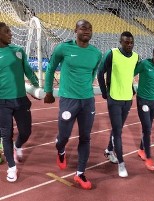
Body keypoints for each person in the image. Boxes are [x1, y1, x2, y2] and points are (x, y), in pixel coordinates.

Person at [44, 20, 102, 189]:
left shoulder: (96, 53)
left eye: (90, 28)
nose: (87, 31)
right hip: (68, 100)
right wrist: (48, 91)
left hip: (88, 101)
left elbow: (92, 73)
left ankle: (80, 173)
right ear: (75, 30)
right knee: (63, 137)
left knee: (85, 137)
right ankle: (61, 150)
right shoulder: (63, 48)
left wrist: (86, 89)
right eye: (83, 28)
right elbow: (50, 68)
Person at [0, 22, 39, 182]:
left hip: (21, 100)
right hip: (2, 102)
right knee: (5, 135)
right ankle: (11, 168)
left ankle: (18, 146)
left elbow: (28, 71)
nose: (11, 33)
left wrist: (37, 86)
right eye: (7, 31)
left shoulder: (18, 51)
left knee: (26, 132)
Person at [97, 31, 140, 177]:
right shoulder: (112, 53)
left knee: (118, 128)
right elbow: (100, 72)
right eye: (126, 42)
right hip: (114, 98)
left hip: (128, 99)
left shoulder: (136, 57)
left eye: (131, 42)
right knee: (118, 132)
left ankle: (109, 150)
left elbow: (129, 74)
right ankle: (121, 163)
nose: (129, 45)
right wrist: (104, 92)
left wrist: (132, 89)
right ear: (120, 42)